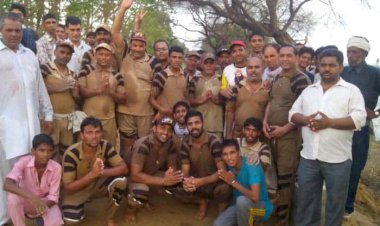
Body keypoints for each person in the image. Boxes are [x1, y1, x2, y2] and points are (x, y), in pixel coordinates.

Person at [290, 49, 366, 226]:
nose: (327, 69)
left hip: (338, 160)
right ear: (318, 66)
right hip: (308, 158)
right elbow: (293, 114)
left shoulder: (351, 91)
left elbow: (359, 119)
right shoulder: (309, 90)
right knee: (306, 204)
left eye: (332, 65)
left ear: (340, 67)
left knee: (335, 206)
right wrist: (306, 119)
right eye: (323, 65)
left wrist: (329, 122)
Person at [0, 13, 53, 225]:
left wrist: (47, 113)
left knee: (31, 172)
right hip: (6, 128)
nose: (14, 34)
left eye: (18, 30)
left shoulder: (29, 55)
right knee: (7, 175)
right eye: (9, 30)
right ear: (1, 30)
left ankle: (30, 211)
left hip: (32, 126)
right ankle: (5, 217)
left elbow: (39, 88)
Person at [263, 45, 310, 226]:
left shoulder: (301, 79)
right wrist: (265, 121)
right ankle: (277, 214)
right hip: (272, 135)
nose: (284, 59)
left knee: (285, 179)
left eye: (289, 55)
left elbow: (303, 112)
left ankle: (284, 220)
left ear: (296, 57)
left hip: (289, 138)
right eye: (282, 55)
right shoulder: (277, 77)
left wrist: (285, 129)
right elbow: (271, 102)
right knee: (273, 176)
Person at [112, 0, 162, 163]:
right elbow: (115, 33)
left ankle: (141, 173)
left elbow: (160, 87)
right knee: (127, 143)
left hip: (146, 112)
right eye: (134, 45)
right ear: (131, 45)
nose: (137, 48)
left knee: (145, 143)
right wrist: (122, 10)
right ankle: (124, 173)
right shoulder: (124, 54)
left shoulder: (154, 62)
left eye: (141, 46)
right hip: (125, 110)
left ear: (145, 46)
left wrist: (158, 110)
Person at [61, 117, 128, 226]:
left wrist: (101, 172)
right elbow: (68, 187)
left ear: (101, 133)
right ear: (82, 135)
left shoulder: (105, 145)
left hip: (97, 185)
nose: (94, 136)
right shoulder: (71, 154)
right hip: (77, 190)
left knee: (121, 181)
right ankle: (79, 207)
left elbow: (124, 168)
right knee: (71, 221)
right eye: (89, 132)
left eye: (97, 132)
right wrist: (91, 175)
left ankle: (109, 218)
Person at [340, 36, 380, 216]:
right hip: (338, 126)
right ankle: (335, 200)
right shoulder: (342, 71)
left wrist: (377, 113)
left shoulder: (375, 73)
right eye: (348, 51)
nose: (350, 55)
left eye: (354, 52)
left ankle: (348, 205)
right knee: (337, 164)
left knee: (355, 167)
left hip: (360, 129)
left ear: (364, 53)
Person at [127, 116, 183, 221]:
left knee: (176, 181)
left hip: (150, 174)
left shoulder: (169, 144)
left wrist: (170, 176)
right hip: (130, 178)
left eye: (169, 130)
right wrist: (162, 181)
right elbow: (134, 175)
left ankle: (146, 199)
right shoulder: (144, 144)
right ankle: (129, 211)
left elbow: (172, 168)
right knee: (140, 191)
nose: (166, 132)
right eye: (162, 127)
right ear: (154, 128)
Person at [179, 110, 231, 220]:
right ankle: (202, 203)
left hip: (214, 181)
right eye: (190, 124)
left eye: (197, 123)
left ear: (203, 123)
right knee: (177, 189)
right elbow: (185, 170)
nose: (194, 127)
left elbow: (222, 172)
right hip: (196, 182)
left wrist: (200, 182)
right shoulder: (185, 143)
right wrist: (187, 182)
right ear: (187, 126)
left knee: (225, 189)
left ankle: (222, 211)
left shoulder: (214, 141)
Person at [3, 134, 63, 226]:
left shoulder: (57, 168)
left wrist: (43, 207)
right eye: (41, 150)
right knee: (13, 198)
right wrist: (32, 197)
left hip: (46, 203)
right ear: (33, 151)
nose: (46, 154)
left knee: (57, 223)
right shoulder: (24, 161)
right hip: (27, 201)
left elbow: (53, 197)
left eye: (49, 151)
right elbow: (7, 184)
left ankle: (39, 217)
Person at [214, 139, 273, 226]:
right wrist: (196, 182)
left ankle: (256, 222)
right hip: (239, 207)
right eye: (225, 154)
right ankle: (249, 221)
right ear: (222, 157)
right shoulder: (229, 165)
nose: (229, 157)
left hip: (262, 209)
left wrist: (233, 182)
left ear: (239, 153)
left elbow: (256, 197)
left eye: (232, 153)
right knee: (218, 224)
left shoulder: (252, 165)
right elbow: (217, 175)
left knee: (241, 201)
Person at [78, 43, 125, 147]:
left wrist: (110, 91)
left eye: (107, 55)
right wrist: (99, 90)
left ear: (111, 57)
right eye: (101, 54)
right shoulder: (86, 70)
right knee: (87, 148)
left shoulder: (117, 75)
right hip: (88, 118)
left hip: (109, 120)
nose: (104, 57)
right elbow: (81, 91)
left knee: (108, 149)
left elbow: (122, 98)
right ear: (95, 55)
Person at [41, 41, 80, 157]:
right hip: (51, 118)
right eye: (62, 52)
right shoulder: (46, 68)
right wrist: (60, 86)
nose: (65, 55)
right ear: (55, 52)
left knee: (66, 150)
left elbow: (77, 98)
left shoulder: (73, 74)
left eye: (68, 53)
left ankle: (64, 174)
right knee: (49, 149)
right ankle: (50, 175)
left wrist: (75, 92)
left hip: (68, 118)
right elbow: (38, 90)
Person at [226, 57, 269, 138]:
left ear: (263, 69)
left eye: (257, 67)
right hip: (238, 136)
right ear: (246, 70)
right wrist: (228, 135)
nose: (253, 70)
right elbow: (230, 111)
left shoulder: (268, 89)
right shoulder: (237, 87)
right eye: (250, 67)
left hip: (260, 138)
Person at [238, 117, 277, 200]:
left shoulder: (263, 148)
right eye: (248, 129)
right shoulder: (237, 143)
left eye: (254, 130)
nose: (250, 133)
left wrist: (258, 160)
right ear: (243, 130)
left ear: (259, 133)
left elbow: (261, 171)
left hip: (261, 187)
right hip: (243, 183)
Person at [189, 52, 224, 138]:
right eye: (206, 63)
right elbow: (189, 100)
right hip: (198, 125)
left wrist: (215, 99)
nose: (209, 65)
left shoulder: (221, 79)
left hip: (216, 125)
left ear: (215, 65)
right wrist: (201, 100)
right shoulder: (195, 79)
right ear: (201, 65)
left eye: (211, 63)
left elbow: (226, 102)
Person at [150, 45, 188, 116]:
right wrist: (161, 109)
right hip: (165, 118)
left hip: (181, 118)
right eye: (174, 57)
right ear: (169, 58)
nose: (177, 60)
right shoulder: (161, 75)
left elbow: (186, 97)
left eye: (179, 58)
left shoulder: (186, 76)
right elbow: (151, 98)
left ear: (182, 59)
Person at [172, 101, 190, 167]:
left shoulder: (195, 131)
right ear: (174, 115)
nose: (181, 114)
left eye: (183, 111)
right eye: (178, 112)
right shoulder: (170, 131)